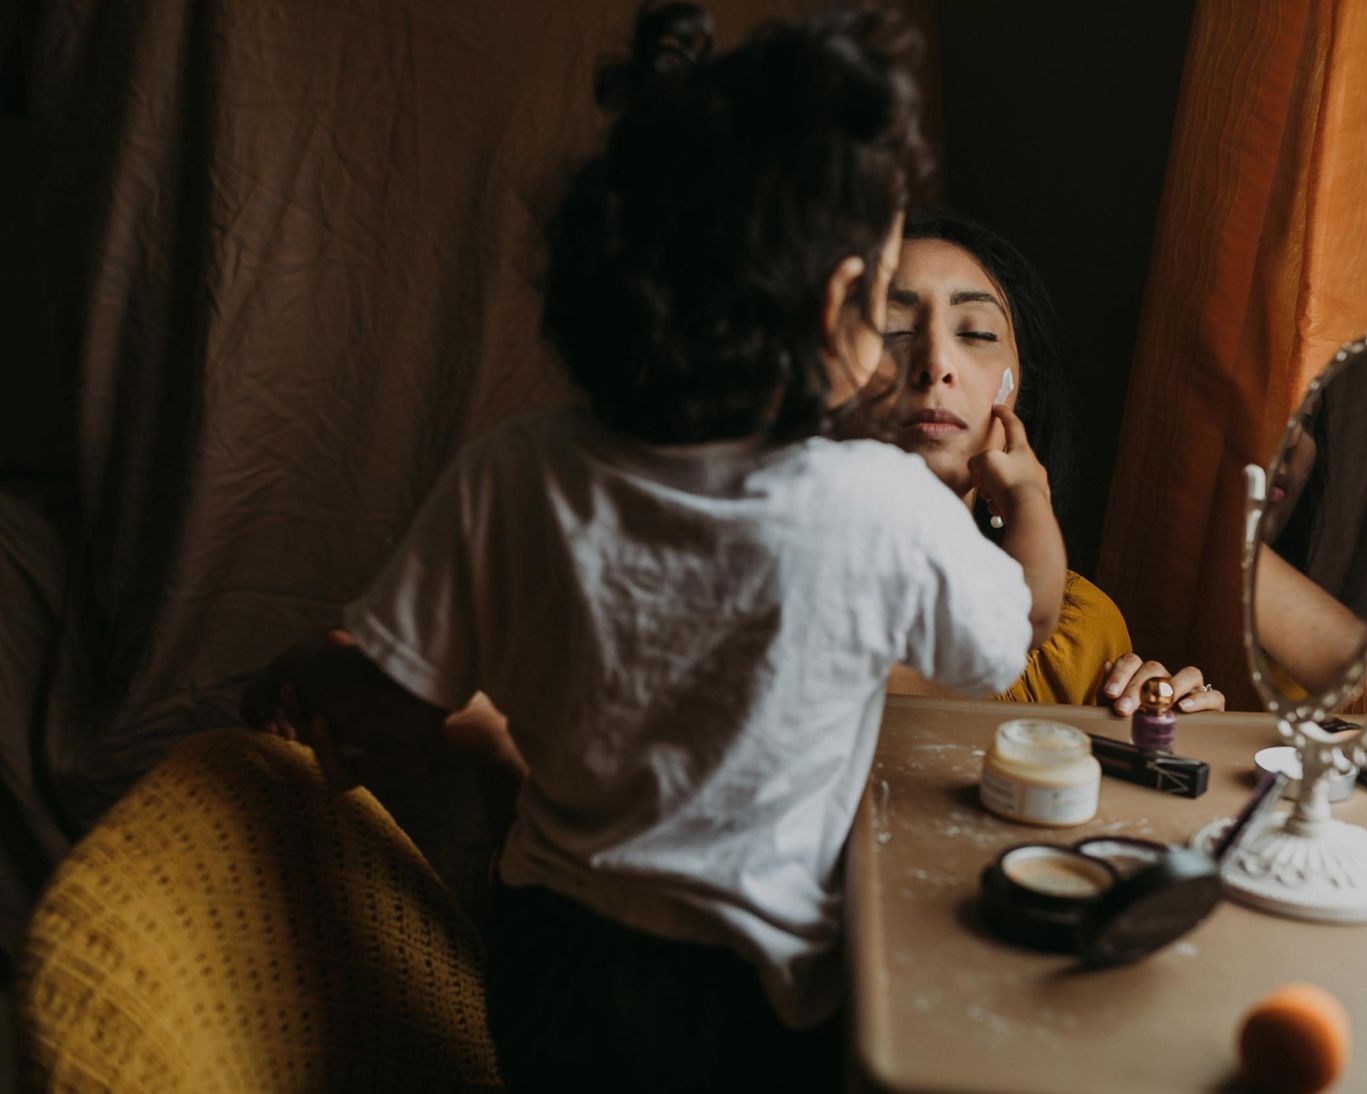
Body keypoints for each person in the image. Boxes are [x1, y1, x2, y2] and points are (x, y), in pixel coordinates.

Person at [242, 5, 1050, 1090]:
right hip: (761, 992)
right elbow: (1006, 640)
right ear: (830, 310)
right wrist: (1023, 500)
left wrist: (314, 671)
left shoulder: (511, 471)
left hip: (550, 961)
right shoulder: (879, 503)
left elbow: (399, 700)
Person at [876, 207, 1226, 715]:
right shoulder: (759, 594)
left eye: (975, 334)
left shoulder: (1080, 638)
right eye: (892, 329)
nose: (936, 364)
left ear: (1020, 391)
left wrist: (1167, 740)